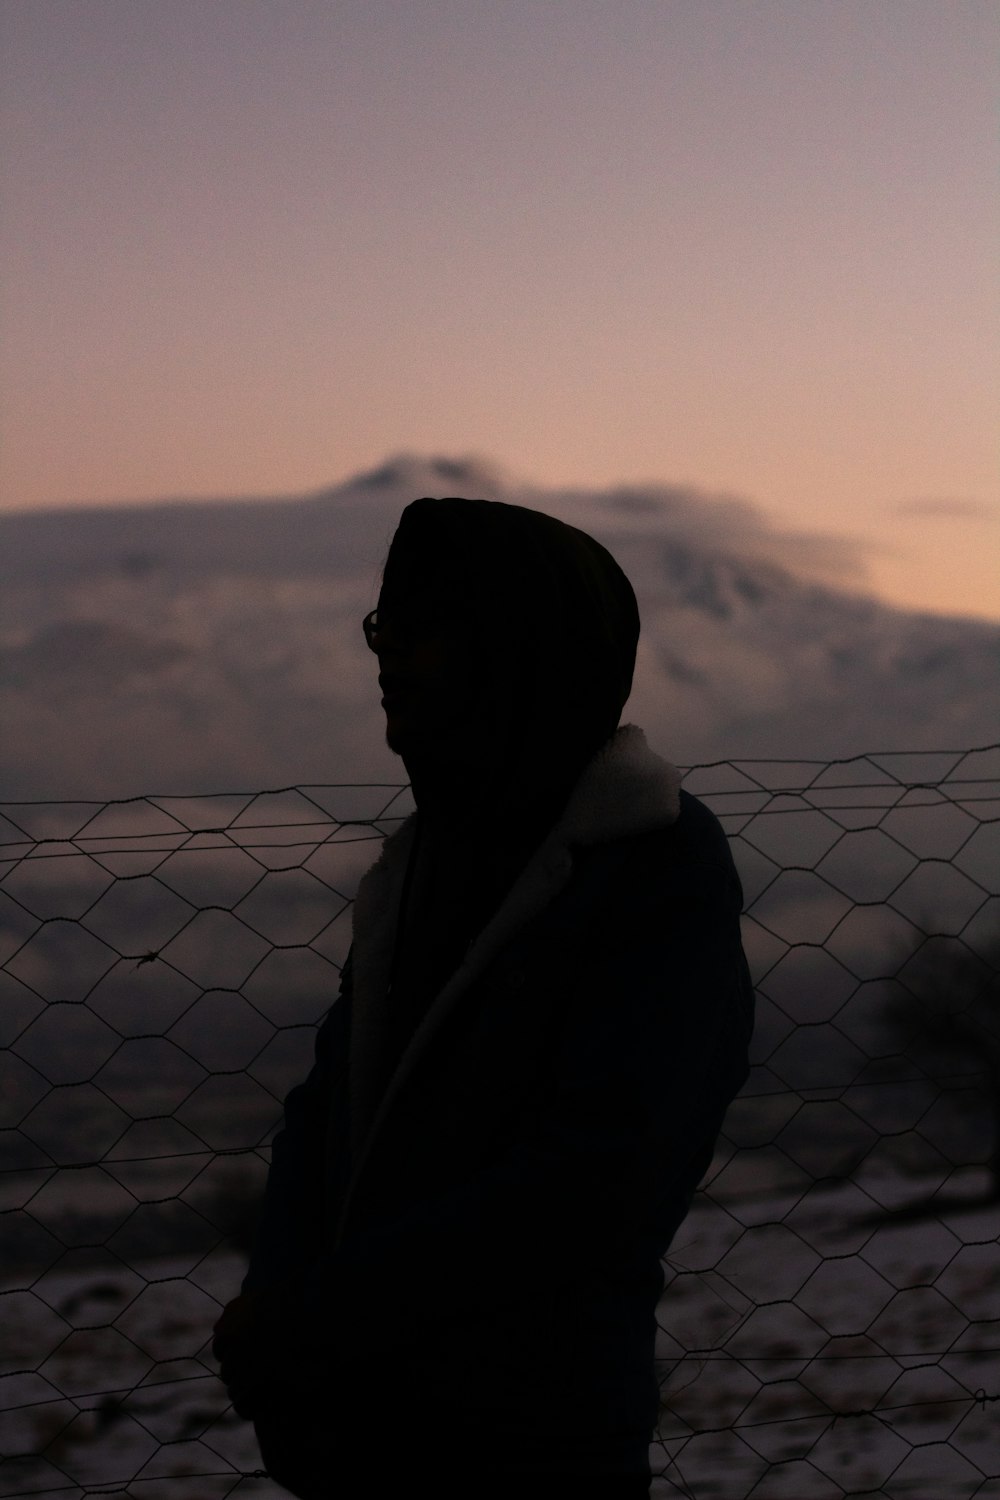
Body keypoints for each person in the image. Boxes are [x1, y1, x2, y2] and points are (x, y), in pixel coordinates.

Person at [213, 496, 753, 1497]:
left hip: (535, 1441)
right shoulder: (428, 863)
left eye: (422, 629)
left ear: (521, 653)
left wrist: (319, 1317)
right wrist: (278, 1303)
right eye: (382, 626)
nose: (387, 657)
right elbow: (329, 1107)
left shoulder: (650, 866)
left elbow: (596, 1178)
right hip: (366, 1436)